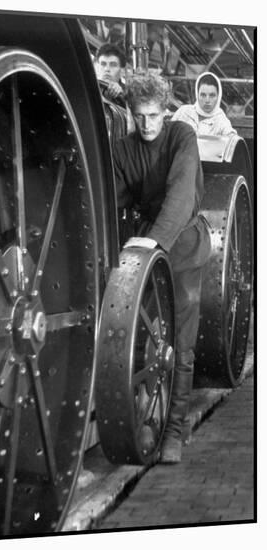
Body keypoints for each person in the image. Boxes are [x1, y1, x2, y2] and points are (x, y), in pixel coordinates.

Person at [113, 73, 212, 464]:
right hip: (146, 247)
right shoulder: (123, 148)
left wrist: (154, 241)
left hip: (183, 243)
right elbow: (113, 196)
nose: (148, 124)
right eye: (140, 116)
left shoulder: (181, 136)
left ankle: (173, 431)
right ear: (131, 113)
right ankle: (150, 417)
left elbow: (182, 193)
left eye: (154, 115)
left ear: (166, 111)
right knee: (147, 338)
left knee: (181, 345)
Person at [171, 71, 237, 136]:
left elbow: (232, 139)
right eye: (203, 95)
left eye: (212, 95)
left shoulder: (221, 121)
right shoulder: (184, 112)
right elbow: (168, 133)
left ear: (218, 96)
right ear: (197, 95)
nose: (207, 100)